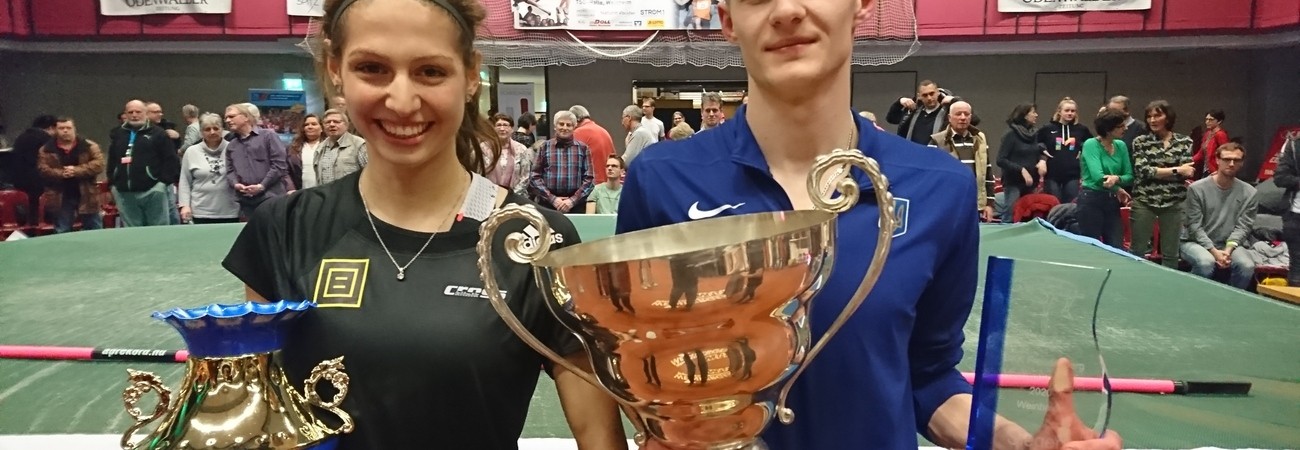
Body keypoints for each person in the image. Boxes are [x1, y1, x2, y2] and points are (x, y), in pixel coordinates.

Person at [617, 0, 1122, 449]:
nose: (787, 10)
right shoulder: (662, 180)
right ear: (728, 21)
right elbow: (628, 365)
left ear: (862, 4)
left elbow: (927, 378)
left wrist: (1020, 444)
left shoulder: (939, 187)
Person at [221, 0, 625, 449]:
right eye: (372, 68)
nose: (402, 101)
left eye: (430, 71)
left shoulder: (537, 240)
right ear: (335, 69)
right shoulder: (285, 227)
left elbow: (599, 436)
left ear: (470, 75)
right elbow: (258, 414)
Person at [1077, 108, 1135, 248]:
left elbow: (1129, 176)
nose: (1126, 128)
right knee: (1091, 246)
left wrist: (1115, 179)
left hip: (1112, 200)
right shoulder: (1091, 144)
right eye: (1121, 126)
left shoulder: (1121, 145)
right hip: (1091, 199)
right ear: (1108, 129)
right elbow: (1098, 177)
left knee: (1116, 245)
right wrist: (1117, 187)